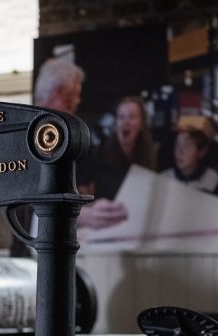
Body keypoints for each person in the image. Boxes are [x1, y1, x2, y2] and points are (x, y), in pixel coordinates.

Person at [33, 57, 127, 229]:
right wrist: (85, 216)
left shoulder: (68, 135)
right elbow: (34, 202)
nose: (77, 101)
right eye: (73, 95)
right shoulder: (31, 136)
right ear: (58, 93)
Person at [95, 96, 157, 199]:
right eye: (121, 117)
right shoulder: (100, 157)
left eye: (132, 117)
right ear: (115, 125)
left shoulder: (152, 158)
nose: (126, 121)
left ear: (142, 124)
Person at [161, 115, 218, 195]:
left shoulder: (213, 180)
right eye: (177, 145)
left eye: (187, 146)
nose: (180, 152)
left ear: (202, 151)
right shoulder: (165, 177)